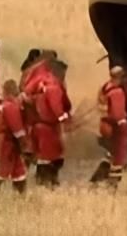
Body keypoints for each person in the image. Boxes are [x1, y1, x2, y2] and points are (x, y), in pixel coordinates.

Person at [0, 80, 30, 195]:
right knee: (4, 170)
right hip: (8, 142)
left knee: (18, 170)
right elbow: (17, 128)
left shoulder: (6, 105)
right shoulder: (11, 107)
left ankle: (21, 194)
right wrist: (24, 144)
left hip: (9, 141)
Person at [33, 59, 71, 187]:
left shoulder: (43, 83)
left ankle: (43, 180)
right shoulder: (54, 87)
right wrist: (63, 118)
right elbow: (56, 106)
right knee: (51, 155)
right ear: (59, 72)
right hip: (48, 126)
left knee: (45, 155)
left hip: (40, 124)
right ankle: (47, 181)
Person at [92, 64, 127, 185]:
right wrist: (125, 127)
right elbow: (118, 114)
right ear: (120, 77)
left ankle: (97, 179)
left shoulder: (104, 88)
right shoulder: (117, 92)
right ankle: (113, 183)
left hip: (104, 125)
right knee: (118, 157)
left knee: (110, 154)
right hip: (114, 127)